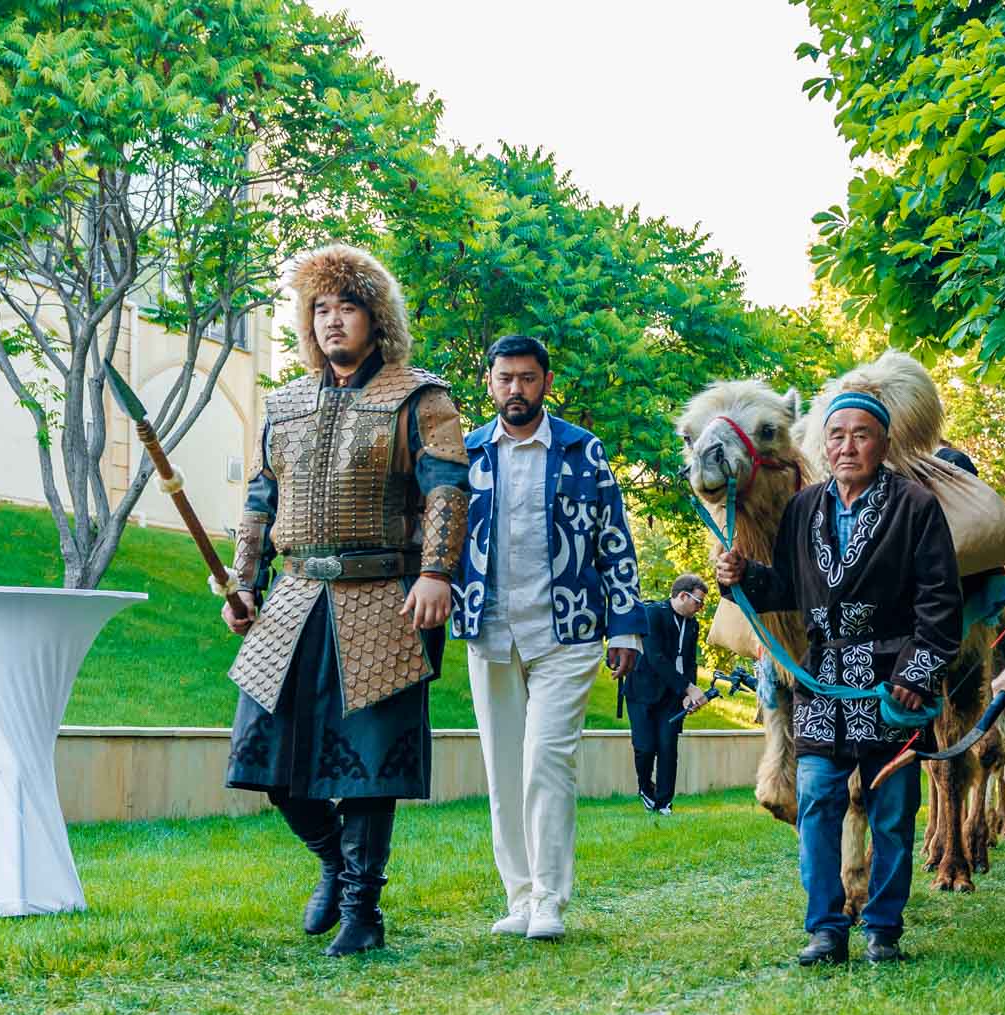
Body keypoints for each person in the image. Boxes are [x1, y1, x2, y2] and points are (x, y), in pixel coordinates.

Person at [223, 243, 472, 957]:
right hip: (294, 598)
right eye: (321, 309)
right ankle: (333, 862)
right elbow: (260, 500)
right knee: (265, 754)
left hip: (386, 596)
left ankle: (363, 910)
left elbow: (448, 489)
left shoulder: (421, 398)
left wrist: (437, 573)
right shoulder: (285, 405)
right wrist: (244, 583)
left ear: (376, 317)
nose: (333, 320)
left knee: (368, 764)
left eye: (348, 307)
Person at [712, 362, 961, 968]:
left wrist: (916, 675)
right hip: (821, 684)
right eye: (837, 436)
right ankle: (825, 928)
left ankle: (884, 929)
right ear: (824, 445)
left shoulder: (916, 507)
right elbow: (788, 588)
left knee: (892, 814)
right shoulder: (803, 509)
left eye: (861, 435)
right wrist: (743, 578)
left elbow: (940, 603)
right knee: (819, 804)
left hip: (891, 686)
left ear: (883, 442)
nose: (847, 447)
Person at [451, 335, 645, 942]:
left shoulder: (583, 450)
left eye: (528, 378)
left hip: (569, 630)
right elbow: (441, 538)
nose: (516, 389)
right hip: (490, 632)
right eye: (505, 378)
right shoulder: (467, 455)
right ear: (489, 383)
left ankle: (549, 900)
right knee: (504, 770)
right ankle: (519, 896)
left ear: (546, 382)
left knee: (546, 762)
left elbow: (614, 539)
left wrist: (626, 625)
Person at [624, 575, 709, 814]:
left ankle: (664, 802)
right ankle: (645, 788)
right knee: (644, 747)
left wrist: (688, 692)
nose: (700, 608)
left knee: (668, 747)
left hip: (672, 695)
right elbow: (656, 658)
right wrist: (688, 688)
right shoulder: (653, 614)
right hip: (642, 691)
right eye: (698, 602)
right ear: (682, 595)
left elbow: (690, 661)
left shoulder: (692, 625)